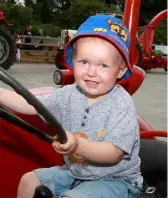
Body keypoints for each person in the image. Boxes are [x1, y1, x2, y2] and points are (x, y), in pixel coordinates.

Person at [0, 15, 143, 198]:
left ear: (120, 70)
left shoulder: (121, 104)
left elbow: (113, 153)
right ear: (73, 60)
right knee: (29, 181)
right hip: (75, 172)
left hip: (116, 180)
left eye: (103, 65)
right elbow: (32, 105)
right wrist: (2, 94)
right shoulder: (68, 94)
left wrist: (77, 144)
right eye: (84, 62)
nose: (91, 72)